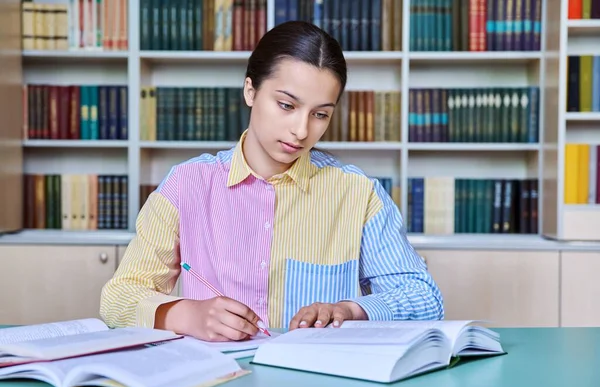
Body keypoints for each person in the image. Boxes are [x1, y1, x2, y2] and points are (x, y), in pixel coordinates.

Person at [99, 20, 444, 343]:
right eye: (286, 105)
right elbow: (118, 296)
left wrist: (350, 310)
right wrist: (183, 314)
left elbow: (425, 299)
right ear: (250, 90)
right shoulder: (187, 184)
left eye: (320, 114)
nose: (302, 130)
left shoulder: (359, 194)